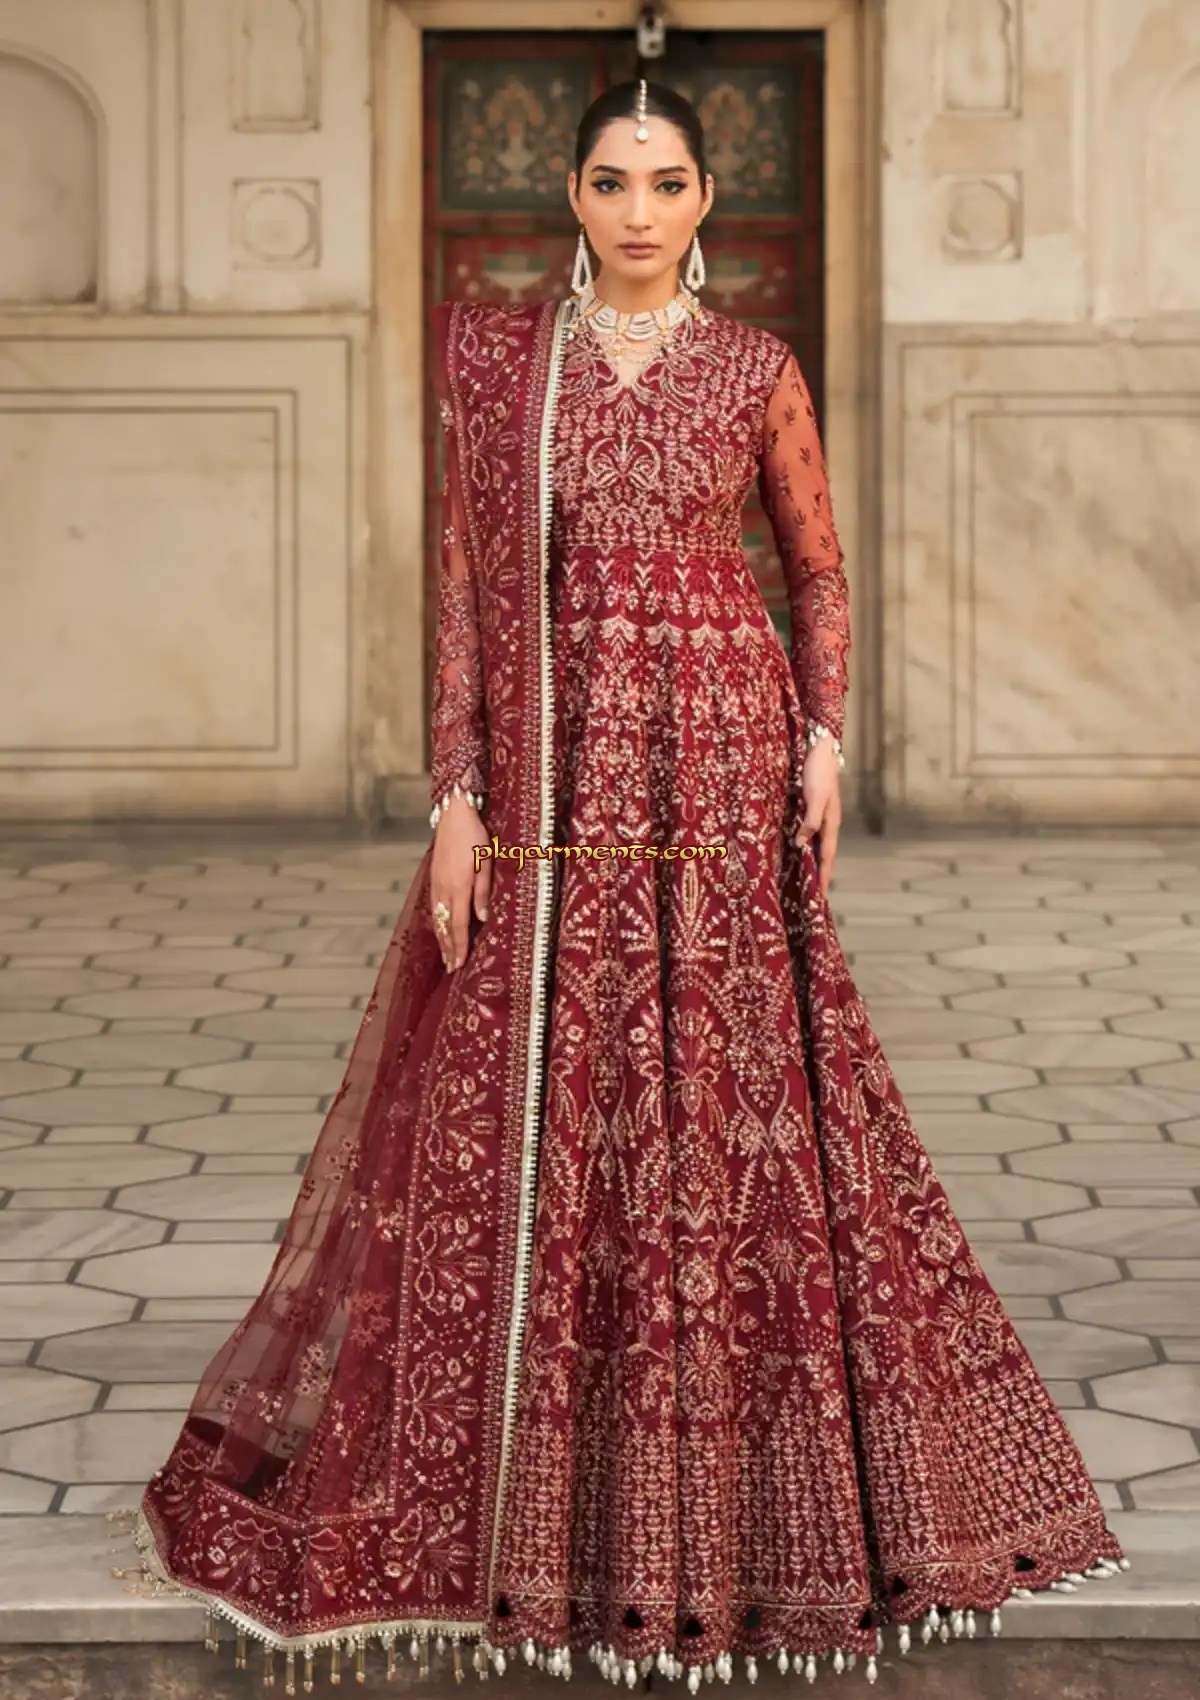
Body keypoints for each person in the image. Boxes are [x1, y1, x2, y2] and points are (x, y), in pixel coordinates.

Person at [118, 77, 1128, 1695]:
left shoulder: (756, 369)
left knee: (725, 1093)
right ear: (573, 197)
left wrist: (825, 740)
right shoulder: (498, 365)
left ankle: (750, 1505)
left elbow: (817, 569)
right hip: (552, 775)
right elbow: (463, 593)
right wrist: (455, 795)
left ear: (708, 198)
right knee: (540, 1093)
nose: (639, 210)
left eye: (666, 182)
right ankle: (535, 1503)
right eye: (611, 180)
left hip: (720, 770)